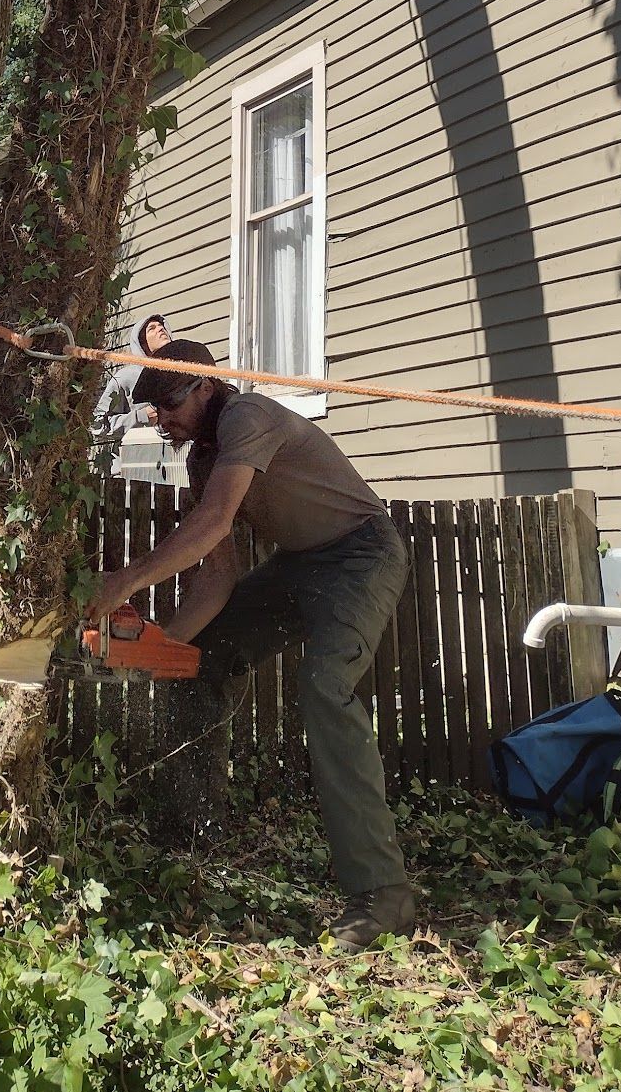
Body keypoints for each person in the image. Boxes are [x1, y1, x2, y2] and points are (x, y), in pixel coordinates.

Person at [89, 338, 415, 950]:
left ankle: (384, 895)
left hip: (361, 556)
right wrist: (161, 648)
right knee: (205, 656)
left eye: (169, 401)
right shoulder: (203, 460)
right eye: (152, 408)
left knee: (325, 687)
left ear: (207, 385)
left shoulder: (248, 416)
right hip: (300, 565)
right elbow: (217, 575)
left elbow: (210, 525)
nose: (161, 417)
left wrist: (129, 579)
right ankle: (194, 822)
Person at [92, 311, 188, 487]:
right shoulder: (125, 377)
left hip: (178, 473)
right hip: (136, 476)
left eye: (162, 327)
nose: (160, 329)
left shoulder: (181, 376)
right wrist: (140, 417)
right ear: (141, 343)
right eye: (152, 328)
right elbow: (97, 424)